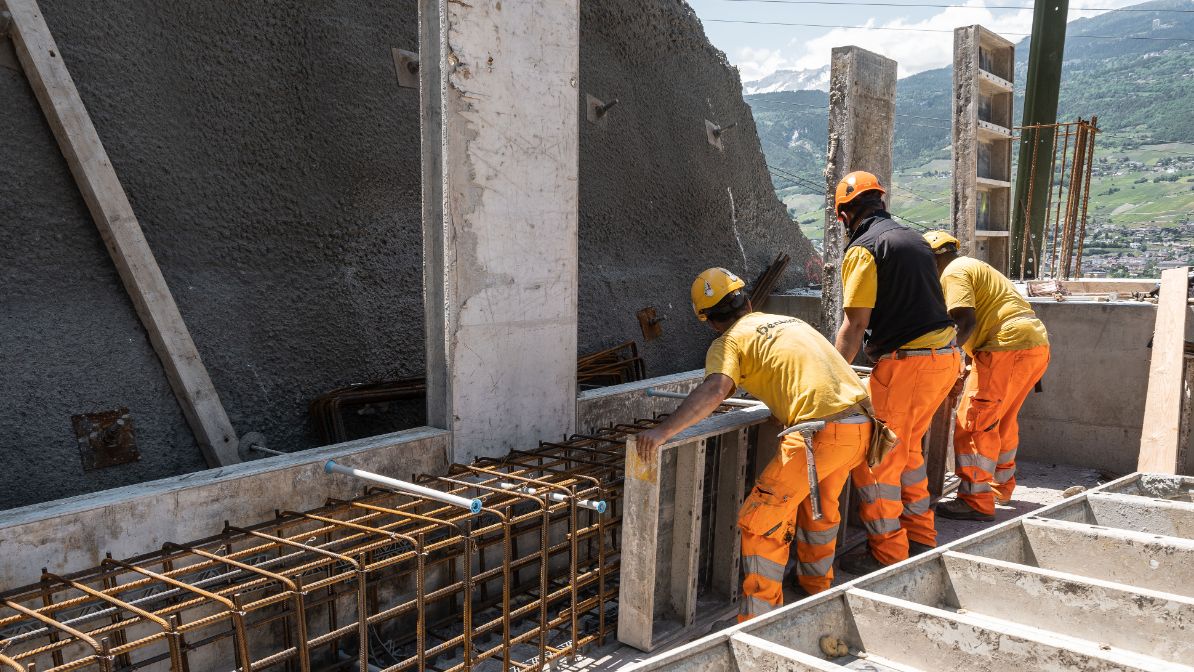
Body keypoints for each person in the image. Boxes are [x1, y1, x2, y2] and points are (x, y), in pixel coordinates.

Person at [634, 267, 872, 621]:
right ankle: (816, 587)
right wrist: (786, 407)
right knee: (818, 508)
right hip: (859, 425)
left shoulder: (728, 341)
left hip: (818, 436)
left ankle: (760, 619)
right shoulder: (788, 323)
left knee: (759, 520)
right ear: (746, 300)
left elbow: (716, 389)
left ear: (711, 321)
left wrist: (662, 432)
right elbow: (806, 371)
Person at [831, 171, 962, 575]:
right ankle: (921, 535)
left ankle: (887, 554)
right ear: (880, 202)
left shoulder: (864, 249)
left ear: (843, 216)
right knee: (906, 452)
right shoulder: (916, 240)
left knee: (879, 461)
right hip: (944, 360)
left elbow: (854, 325)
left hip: (909, 365)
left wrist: (832, 381)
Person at [923, 230, 1051, 521]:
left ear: (934, 258)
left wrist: (950, 363)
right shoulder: (973, 266)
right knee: (1000, 418)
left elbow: (964, 320)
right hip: (1032, 344)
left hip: (1004, 347)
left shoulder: (953, 273)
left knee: (974, 421)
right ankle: (999, 486)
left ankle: (975, 500)